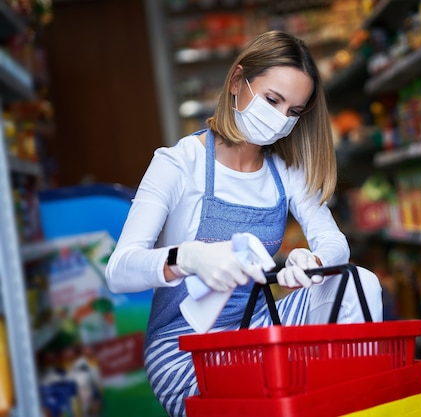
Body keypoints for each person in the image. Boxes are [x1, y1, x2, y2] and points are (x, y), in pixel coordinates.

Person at [105, 30, 383, 417]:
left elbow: (333, 241)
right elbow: (118, 271)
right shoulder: (178, 163)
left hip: (257, 332)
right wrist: (188, 258)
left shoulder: (285, 171)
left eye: (293, 111)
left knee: (358, 282)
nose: (280, 119)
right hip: (187, 348)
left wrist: (314, 262)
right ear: (238, 82)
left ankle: (353, 407)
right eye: (272, 100)